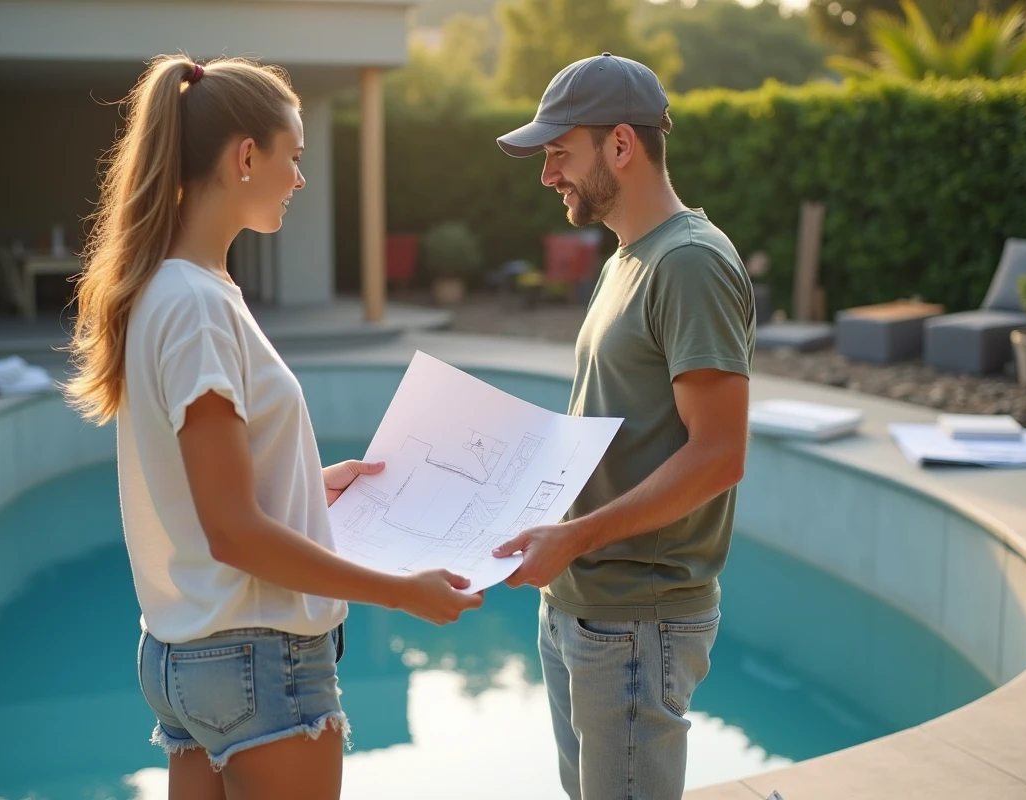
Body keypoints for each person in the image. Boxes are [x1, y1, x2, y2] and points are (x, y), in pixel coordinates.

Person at [65, 55, 482, 800]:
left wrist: (312, 487)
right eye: (292, 158)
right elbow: (234, 534)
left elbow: (205, 495)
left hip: (184, 657)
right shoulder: (196, 305)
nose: (298, 179)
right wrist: (400, 591)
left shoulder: (168, 289)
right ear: (244, 156)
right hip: (260, 661)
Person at [492, 53, 754, 800]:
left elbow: (719, 455)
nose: (548, 175)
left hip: (636, 622)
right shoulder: (626, 259)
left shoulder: (690, 264)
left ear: (620, 145)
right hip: (581, 605)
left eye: (558, 153)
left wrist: (574, 536)